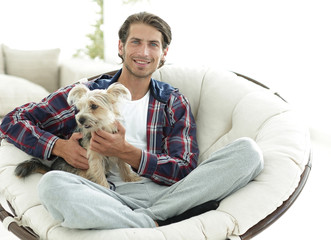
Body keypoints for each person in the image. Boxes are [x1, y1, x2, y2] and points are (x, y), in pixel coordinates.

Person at [0, 12, 263, 229]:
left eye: (153, 44)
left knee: (248, 153)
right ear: (121, 47)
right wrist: (59, 147)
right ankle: (156, 222)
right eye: (136, 42)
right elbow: (13, 120)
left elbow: (184, 168)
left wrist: (128, 153)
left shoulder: (172, 102)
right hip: (101, 194)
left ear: (164, 53)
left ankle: (144, 218)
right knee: (51, 185)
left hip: (166, 192)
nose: (143, 52)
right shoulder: (88, 94)